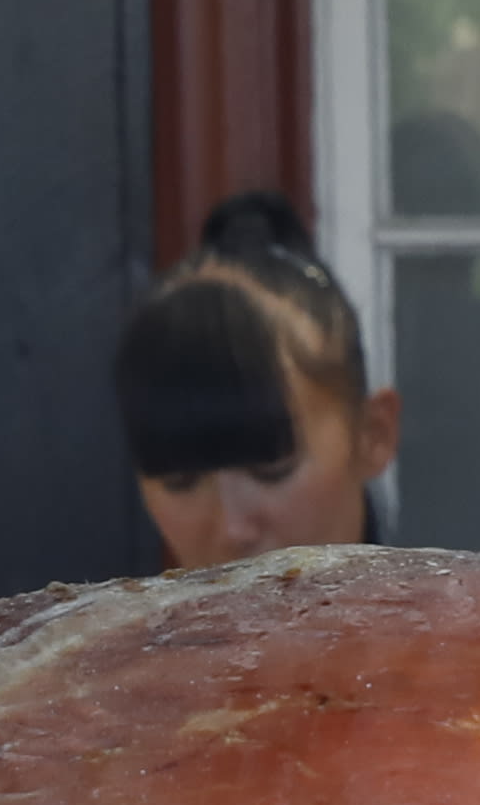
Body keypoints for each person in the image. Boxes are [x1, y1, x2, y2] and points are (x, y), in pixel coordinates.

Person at [113, 196, 404, 567]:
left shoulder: (478, 624)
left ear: (373, 434)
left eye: (273, 471)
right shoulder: (75, 625)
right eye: (179, 481)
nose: (234, 529)